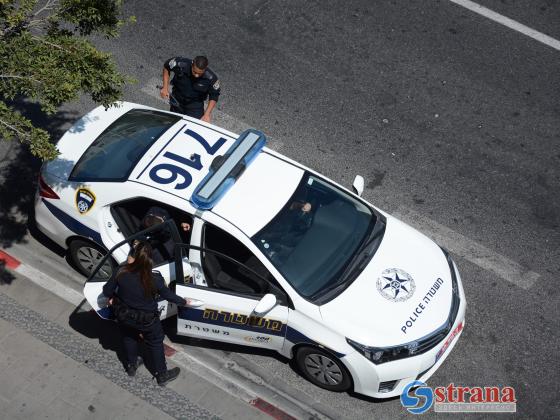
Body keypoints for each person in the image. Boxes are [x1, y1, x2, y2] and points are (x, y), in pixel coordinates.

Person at [103, 242, 189, 386]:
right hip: (148, 321)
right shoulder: (154, 279)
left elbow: (106, 291)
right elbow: (169, 296)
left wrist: (113, 297)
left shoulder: (121, 271)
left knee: (129, 337)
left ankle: (131, 366)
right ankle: (162, 375)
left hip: (124, 316)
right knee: (155, 343)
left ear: (132, 258)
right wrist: (184, 302)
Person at [160, 55, 221, 122]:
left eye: (200, 73)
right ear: (192, 65)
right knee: (173, 122)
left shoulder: (211, 78)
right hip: (177, 100)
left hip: (194, 106)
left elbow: (214, 95)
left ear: (205, 68)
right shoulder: (180, 64)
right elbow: (167, 66)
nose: (196, 75)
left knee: (194, 126)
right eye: (195, 72)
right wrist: (165, 87)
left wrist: (207, 114)